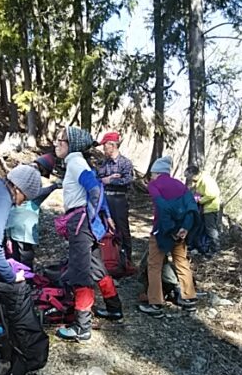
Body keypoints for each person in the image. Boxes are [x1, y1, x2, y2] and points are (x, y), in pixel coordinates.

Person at [54, 126, 123, 342]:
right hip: (84, 222)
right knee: (96, 267)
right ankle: (114, 308)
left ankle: (82, 327)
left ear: (72, 144)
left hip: (80, 222)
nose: (56, 144)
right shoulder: (76, 163)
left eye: (61, 140)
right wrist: (103, 214)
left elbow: (94, 189)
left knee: (80, 272)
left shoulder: (75, 162)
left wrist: (91, 215)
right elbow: (95, 188)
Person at [139, 156, 199, 318]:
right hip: (181, 232)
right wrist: (185, 227)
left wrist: (170, 228)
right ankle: (189, 298)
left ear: (157, 173)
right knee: (181, 262)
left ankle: (155, 303)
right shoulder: (180, 185)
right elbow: (191, 207)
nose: (151, 177)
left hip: (162, 230)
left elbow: (162, 207)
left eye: (152, 174)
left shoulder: (154, 185)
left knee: (154, 265)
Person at [5, 154, 61, 270]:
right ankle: (26, 278)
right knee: (25, 258)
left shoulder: (21, 171)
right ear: (43, 169)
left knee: (12, 257)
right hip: (25, 226)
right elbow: (37, 194)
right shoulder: (32, 176)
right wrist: (53, 187)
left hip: (11, 222)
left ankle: (11, 277)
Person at [97, 131, 134, 262]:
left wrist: (110, 180)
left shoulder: (125, 163)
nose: (103, 149)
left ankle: (127, 259)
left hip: (119, 200)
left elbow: (127, 180)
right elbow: (98, 179)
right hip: (106, 199)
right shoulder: (104, 163)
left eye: (105, 145)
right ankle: (110, 258)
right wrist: (108, 179)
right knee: (106, 227)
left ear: (112, 145)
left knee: (122, 228)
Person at [184, 165, 221, 255]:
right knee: (200, 227)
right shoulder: (199, 181)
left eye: (188, 176)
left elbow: (213, 194)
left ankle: (215, 249)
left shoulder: (205, 180)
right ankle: (201, 247)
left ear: (193, 174)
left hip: (211, 207)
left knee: (210, 229)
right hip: (204, 208)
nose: (188, 178)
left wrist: (200, 200)